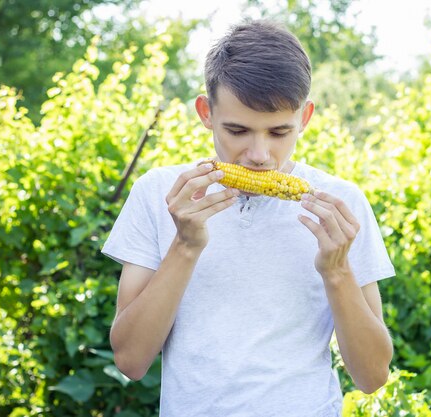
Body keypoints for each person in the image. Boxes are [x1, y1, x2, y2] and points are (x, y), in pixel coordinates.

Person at [102, 19, 395, 417]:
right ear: (206, 112)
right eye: (238, 130)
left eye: (279, 133)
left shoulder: (342, 204)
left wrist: (337, 271)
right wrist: (185, 246)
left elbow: (373, 376)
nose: (258, 155)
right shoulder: (159, 194)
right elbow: (130, 360)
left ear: (305, 117)